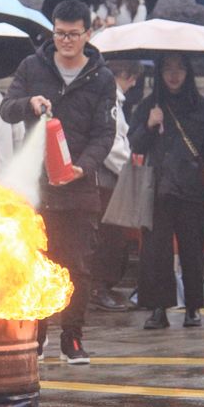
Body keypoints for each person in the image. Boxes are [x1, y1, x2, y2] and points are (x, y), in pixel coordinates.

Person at [1, 0, 116, 364]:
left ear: (88, 34)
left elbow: (105, 132)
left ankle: (73, 337)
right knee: (36, 261)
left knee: (78, 265)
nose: (66, 41)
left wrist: (83, 166)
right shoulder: (32, 67)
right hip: (38, 187)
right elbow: (7, 108)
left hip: (80, 187)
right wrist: (28, 104)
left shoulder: (101, 77)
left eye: (73, 34)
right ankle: (37, 335)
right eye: (59, 33)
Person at [129, 53, 204, 330]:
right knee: (155, 252)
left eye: (180, 69)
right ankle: (158, 308)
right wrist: (149, 125)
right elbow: (135, 144)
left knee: (192, 250)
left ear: (188, 73)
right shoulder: (149, 106)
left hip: (191, 189)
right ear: (159, 73)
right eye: (168, 69)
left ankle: (193, 307)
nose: (174, 75)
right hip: (157, 190)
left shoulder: (203, 108)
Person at [89, 60, 143, 312]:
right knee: (109, 236)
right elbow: (110, 143)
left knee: (111, 235)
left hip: (109, 177)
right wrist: (129, 170)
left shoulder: (114, 101)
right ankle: (98, 288)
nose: (133, 83)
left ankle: (102, 286)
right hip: (106, 179)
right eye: (132, 78)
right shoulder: (109, 101)